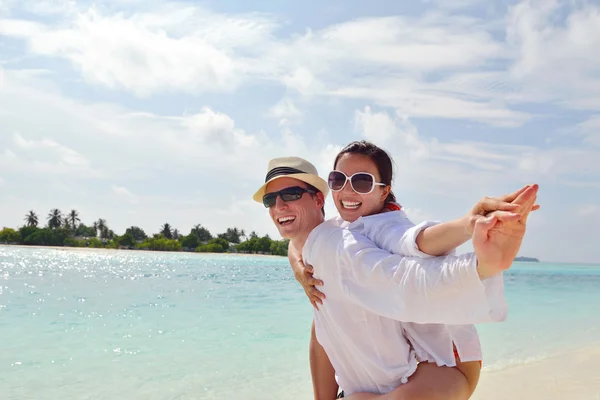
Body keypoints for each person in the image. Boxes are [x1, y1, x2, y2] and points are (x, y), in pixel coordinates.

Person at [253, 150, 538, 399]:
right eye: (270, 200)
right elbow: (299, 243)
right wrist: (298, 266)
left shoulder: (352, 240)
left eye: (290, 195)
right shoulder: (334, 234)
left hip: (441, 368)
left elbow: (409, 261)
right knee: (322, 316)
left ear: (317, 198)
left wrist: (479, 258)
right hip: (426, 372)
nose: (279, 206)